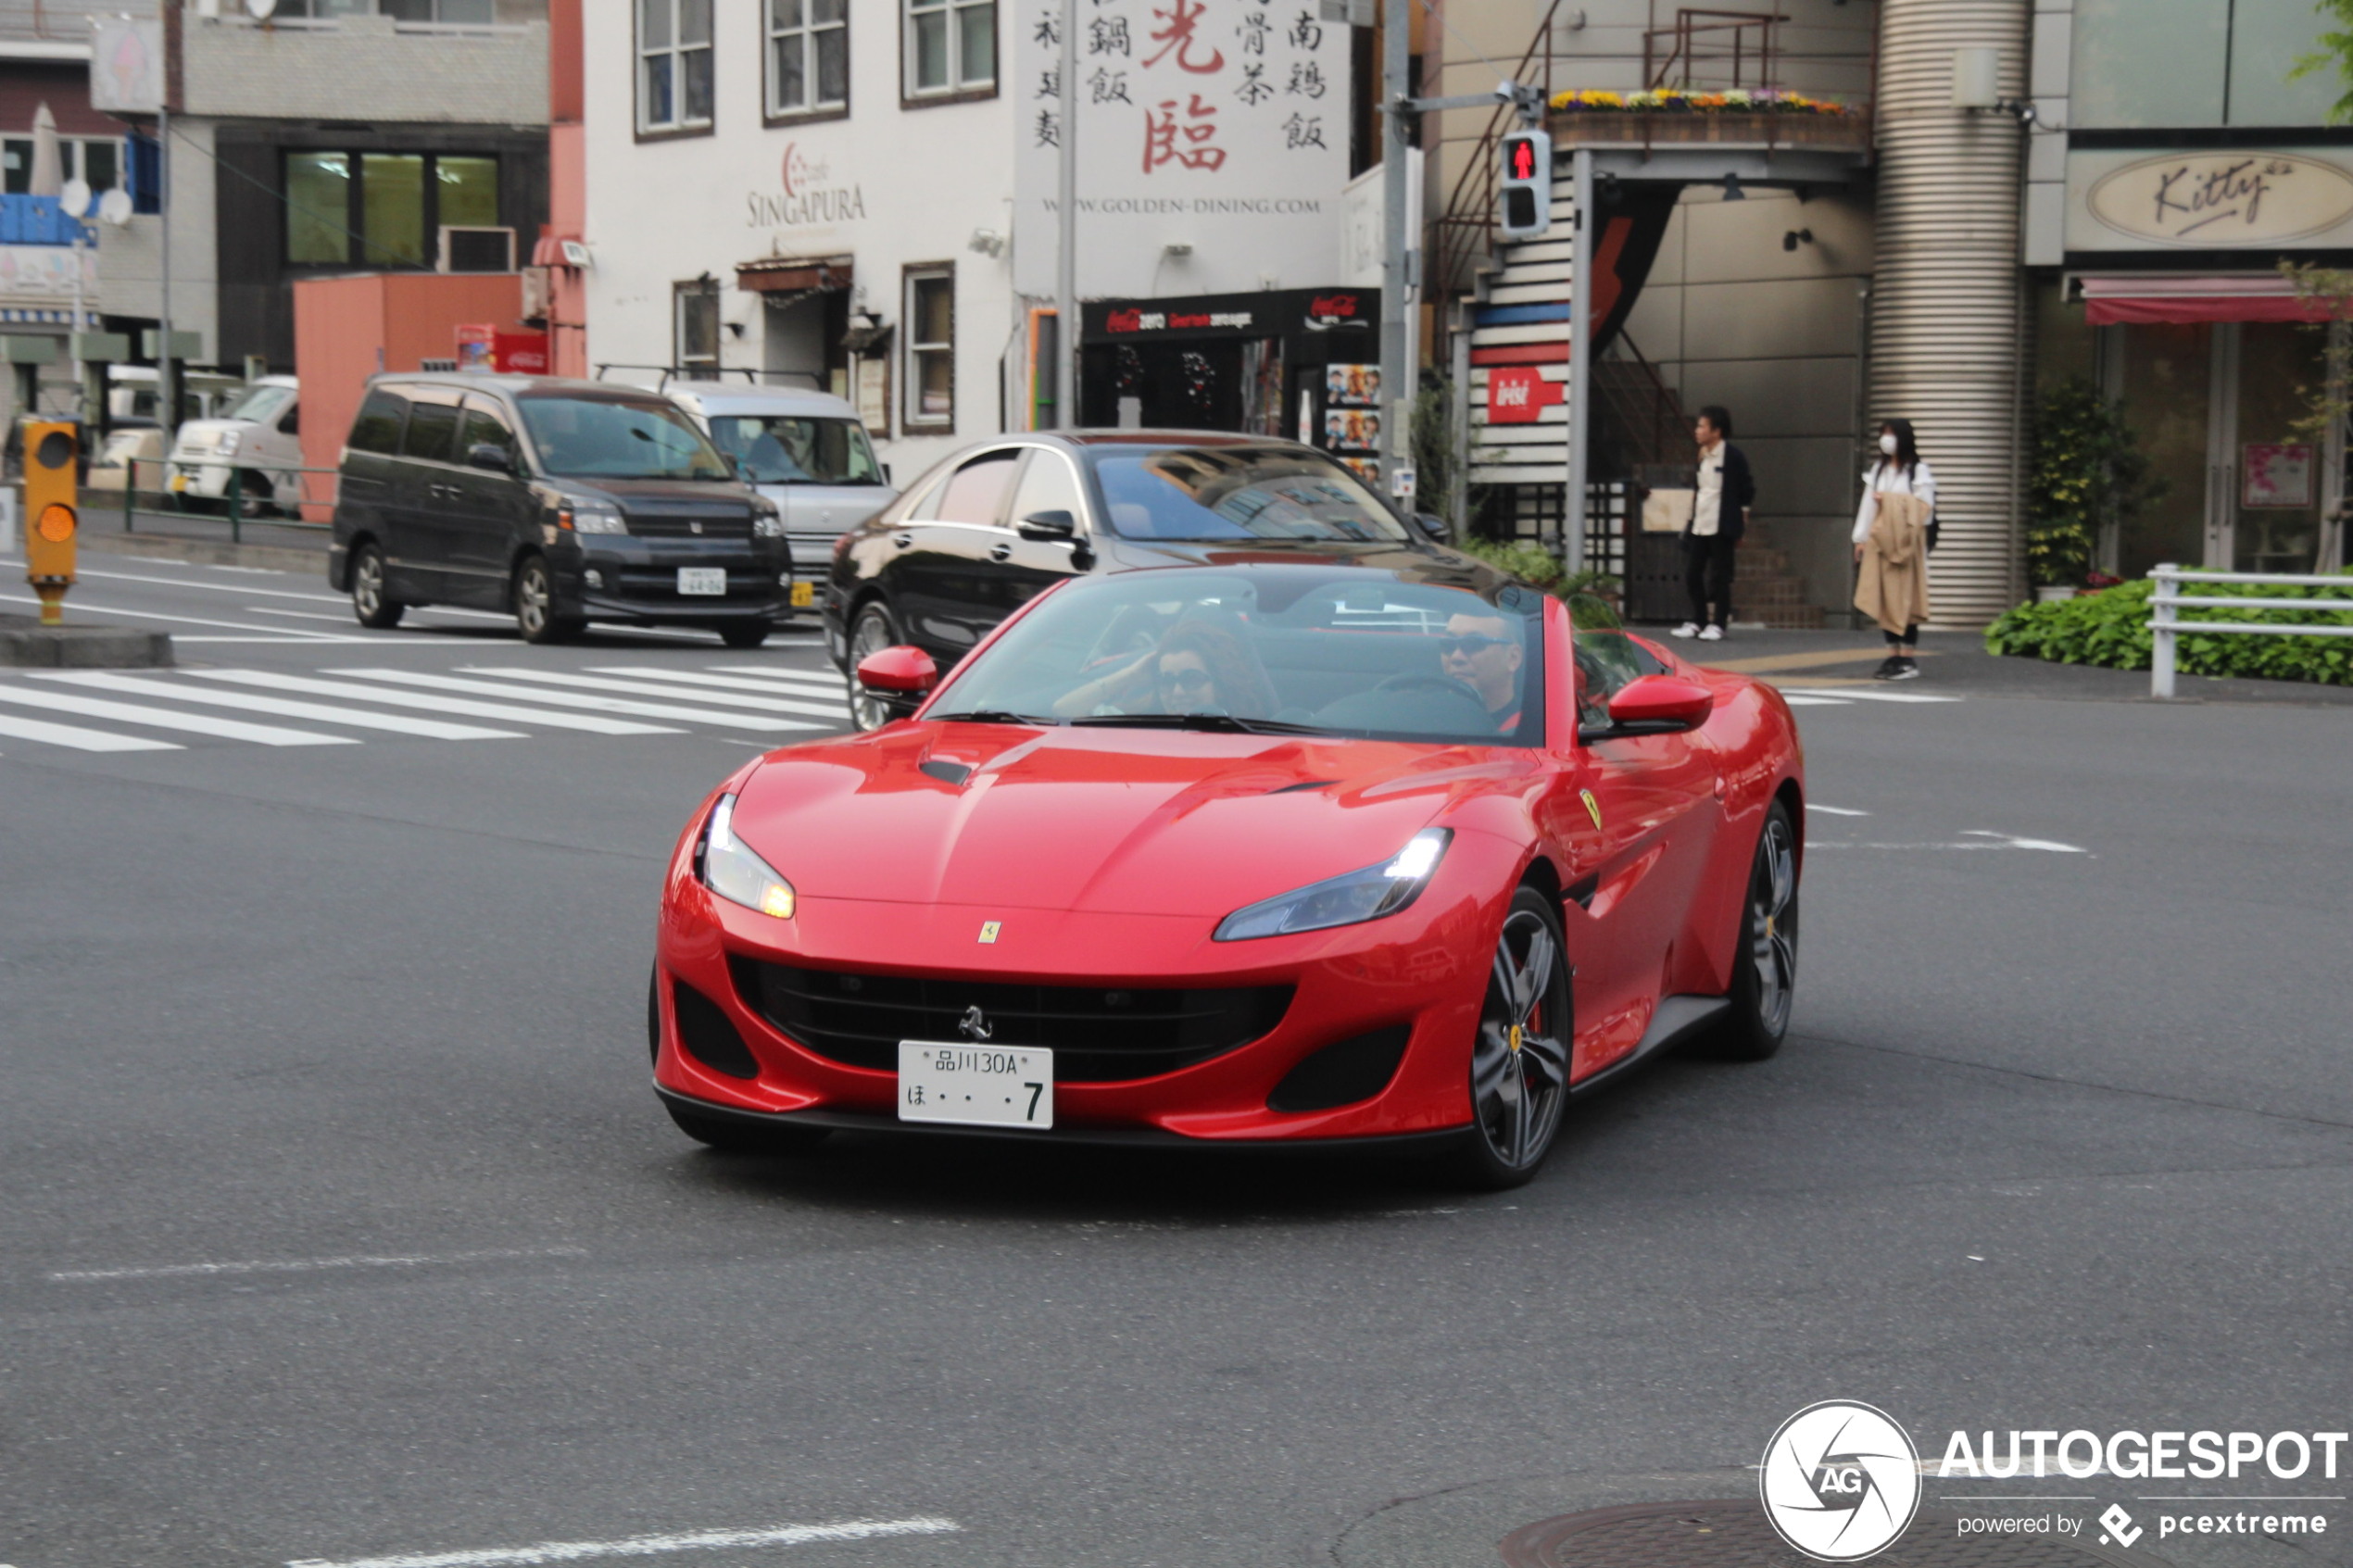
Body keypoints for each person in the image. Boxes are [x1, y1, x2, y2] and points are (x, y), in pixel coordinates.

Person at [1052, 618, 1276, 718]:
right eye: (1167, 681)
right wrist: (1129, 675)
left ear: (1221, 683)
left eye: (1192, 679)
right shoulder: (1138, 723)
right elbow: (1063, 709)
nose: (1177, 693)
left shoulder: (1254, 734)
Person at [1852, 419, 1936, 680]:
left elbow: (1924, 511)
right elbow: (1868, 505)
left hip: (1906, 547)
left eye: (1891, 434)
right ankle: (1892, 656)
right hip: (1881, 544)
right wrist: (1860, 538)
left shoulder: (1917, 471)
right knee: (1886, 601)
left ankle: (1907, 659)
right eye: (1883, 433)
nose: (1886, 439)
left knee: (1906, 602)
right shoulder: (1879, 470)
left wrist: (1889, 501)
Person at [1673, 405, 1755, 643]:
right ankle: (1698, 619)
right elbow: (1699, 490)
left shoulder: (1733, 456)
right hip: (1700, 523)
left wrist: (1742, 520)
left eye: (1702, 426)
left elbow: (1746, 489)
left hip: (1722, 525)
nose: (1697, 431)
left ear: (1716, 431)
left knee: (1721, 577)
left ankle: (1719, 623)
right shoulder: (1702, 455)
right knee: (1692, 574)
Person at [1440, 611, 1524, 732]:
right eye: (1448, 644)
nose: (1456, 657)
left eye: (1473, 644)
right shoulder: (1424, 716)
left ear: (1513, 657)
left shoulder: (1536, 729)